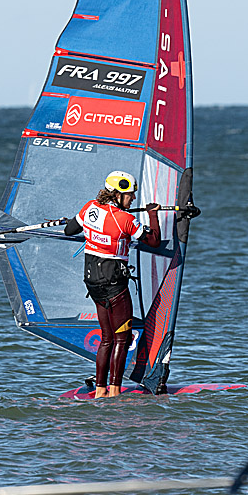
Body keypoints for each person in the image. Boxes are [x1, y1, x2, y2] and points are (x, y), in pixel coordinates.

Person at [64, 170, 160, 398]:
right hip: (115, 286)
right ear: (117, 194)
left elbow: (70, 230)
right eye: (130, 195)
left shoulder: (89, 208)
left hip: (93, 284)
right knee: (121, 338)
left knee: (106, 338)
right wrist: (152, 214)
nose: (133, 199)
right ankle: (114, 391)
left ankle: (100, 390)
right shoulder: (127, 220)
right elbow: (154, 240)